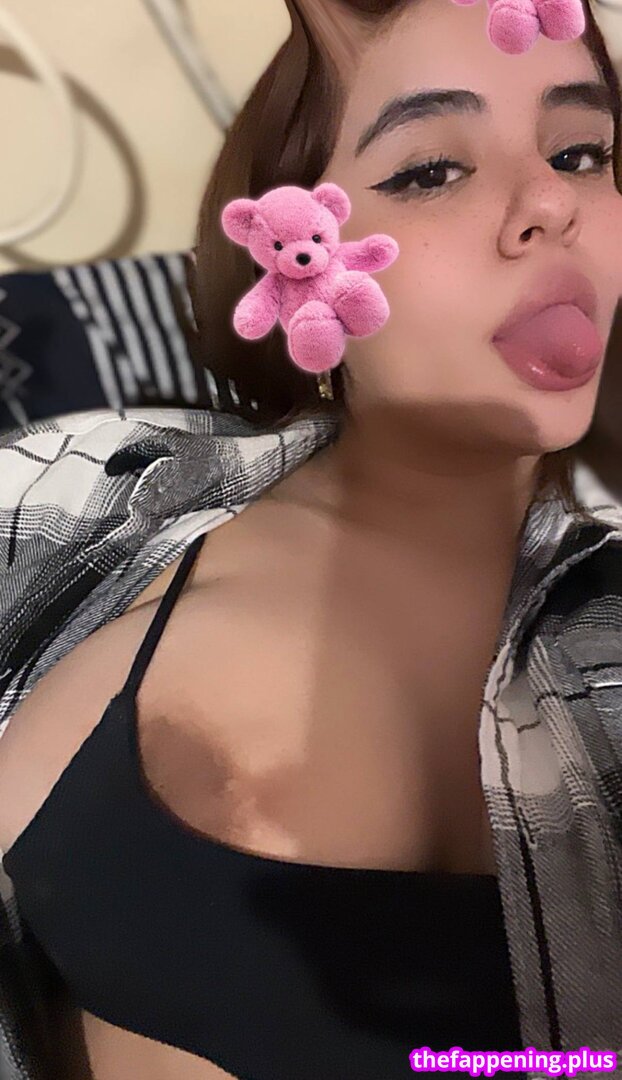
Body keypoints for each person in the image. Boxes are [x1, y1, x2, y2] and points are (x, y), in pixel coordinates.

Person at [1, 0, 622, 1077]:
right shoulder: (84, 489)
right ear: (290, 272)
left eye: (582, 153)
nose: (549, 203)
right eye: (430, 171)